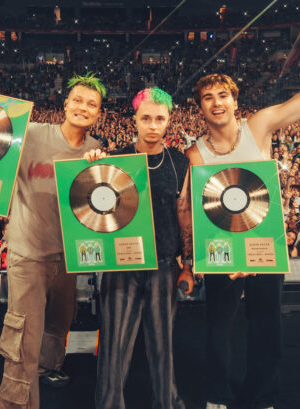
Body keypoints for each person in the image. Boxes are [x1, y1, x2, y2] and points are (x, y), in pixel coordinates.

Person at [185, 20, 300, 409]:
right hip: (222, 249)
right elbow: (199, 212)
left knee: (268, 326)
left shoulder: (258, 126)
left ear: (235, 101)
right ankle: (217, 396)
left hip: (265, 243)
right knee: (218, 327)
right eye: (208, 98)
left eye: (223, 95)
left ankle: (261, 396)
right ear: (200, 108)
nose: (216, 102)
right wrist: (217, 257)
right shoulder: (196, 153)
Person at [0, 73, 105, 409]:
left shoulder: (95, 150)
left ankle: (49, 368)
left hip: (68, 256)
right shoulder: (30, 133)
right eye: (78, 100)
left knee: (59, 323)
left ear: (99, 113)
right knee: (23, 338)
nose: (83, 107)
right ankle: (15, 404)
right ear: (65, 104)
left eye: (91, 104)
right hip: (28, 254)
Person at [90, 87, 192, 409]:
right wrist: (90, 167)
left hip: (164, 264)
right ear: (134, 119)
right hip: (122, 265)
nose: (152, 125)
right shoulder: (115, 159)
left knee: (163, 344)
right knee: (114, 344)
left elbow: (184, 215)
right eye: (146, 118)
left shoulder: (179, 162)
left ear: (169, 120)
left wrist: (188, 265)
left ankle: (167, 402)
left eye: (159, 119)